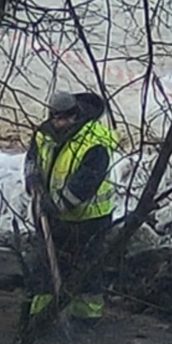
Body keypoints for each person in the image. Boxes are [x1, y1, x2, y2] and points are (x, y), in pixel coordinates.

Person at [24, 91, 117, 321]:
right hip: (53, 216)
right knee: (45, 266)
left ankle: (86, 317)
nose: (61, 123)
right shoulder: (44, 134)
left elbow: (83, 185)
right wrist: (33, 180)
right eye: (56, 118)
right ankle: (42, 316)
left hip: (89, 220)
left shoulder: (95, 142)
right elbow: (32, 160)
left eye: (66, 118)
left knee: (85, 270)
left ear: (76, 115)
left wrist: (55, 204)